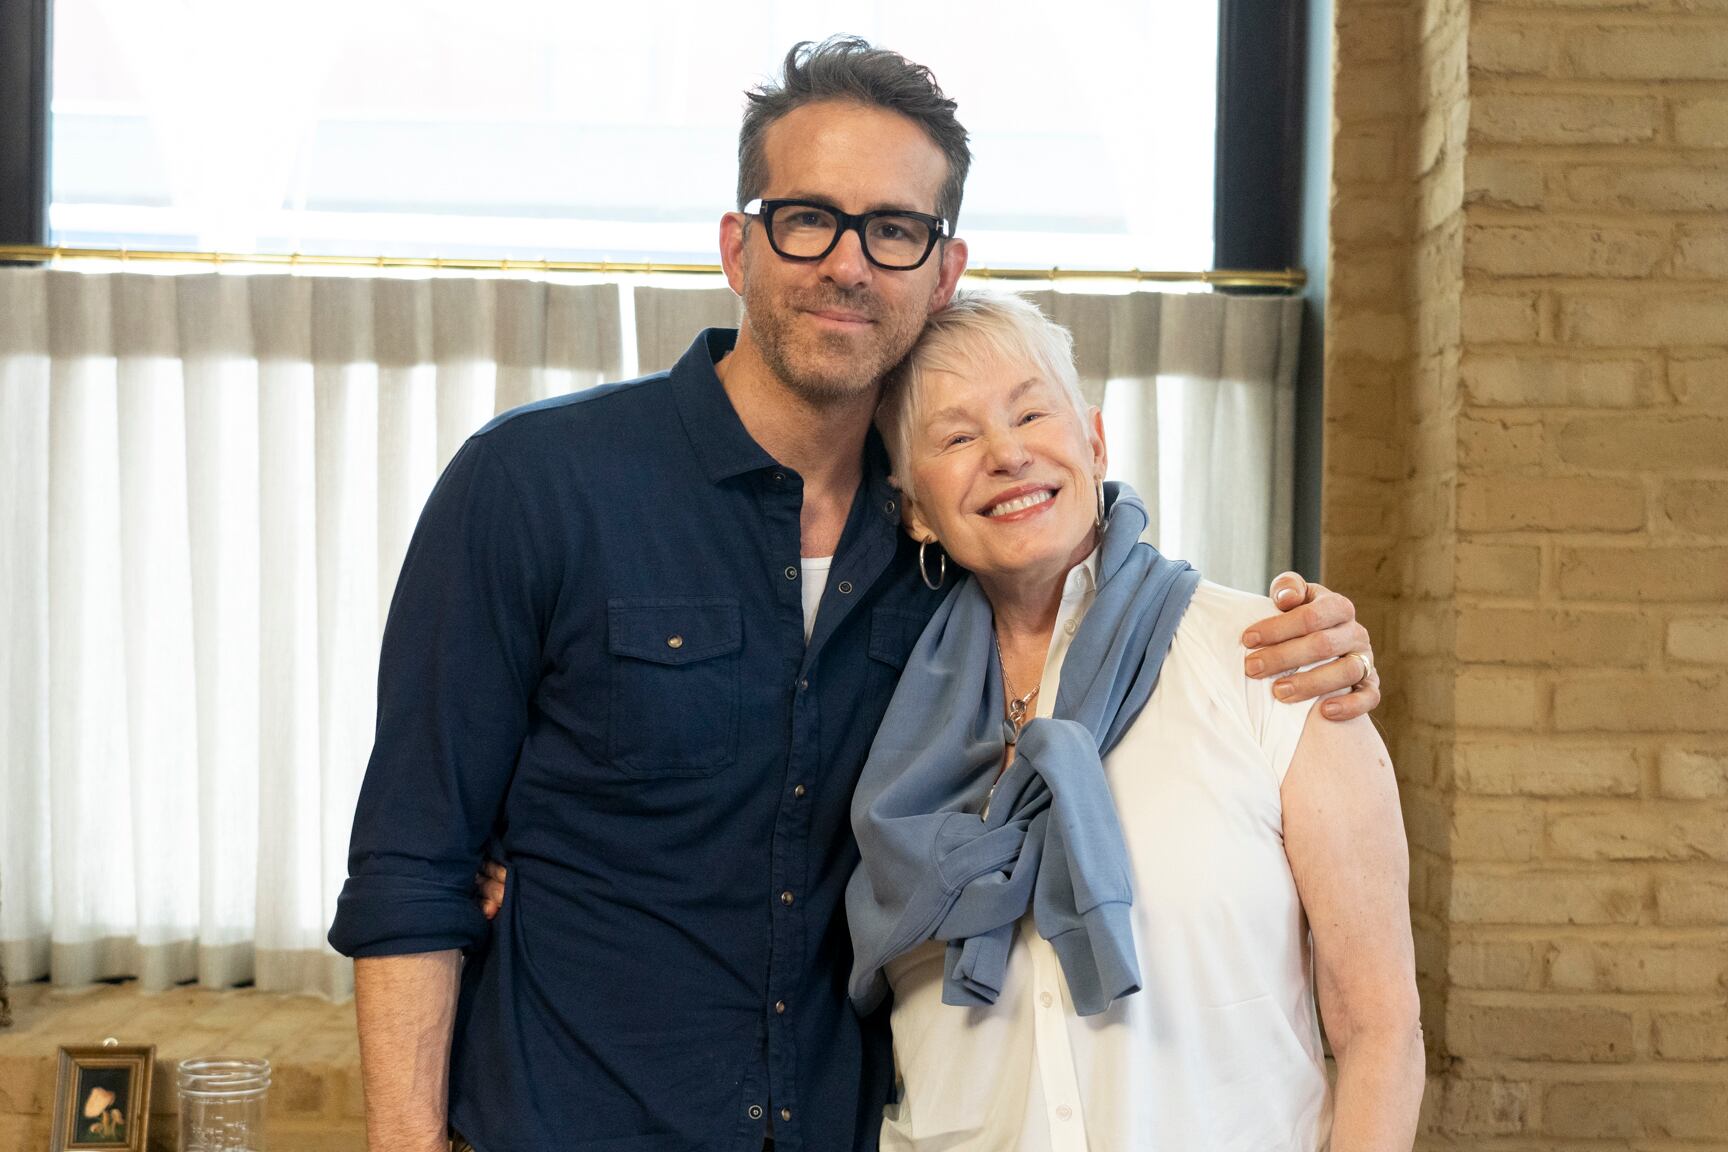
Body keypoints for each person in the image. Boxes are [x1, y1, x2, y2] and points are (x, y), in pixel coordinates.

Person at [331, 37, 1382, 1152]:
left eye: (893, 229)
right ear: (737, 247)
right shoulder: (535, 485)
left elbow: (1098, 577)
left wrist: (1309, 638)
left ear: (944, 268)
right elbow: (413, 863)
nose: (848, 263)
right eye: (807, 219)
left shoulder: (948, 534)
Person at [842, 290, 1422, 1150]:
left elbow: (1380, 1030)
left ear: (1095, 442)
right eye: (957, 438)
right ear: (915, 508)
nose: (1006, 454)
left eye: (1030, 413)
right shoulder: (876, 722)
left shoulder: (1274, 660)